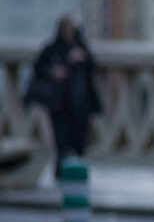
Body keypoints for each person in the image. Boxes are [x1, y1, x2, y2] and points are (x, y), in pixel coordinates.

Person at [25, 16, 102, 178]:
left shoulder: (81, 47)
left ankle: (78, 173)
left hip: (80, 105)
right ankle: (60, 172)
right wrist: (56, 70)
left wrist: (82, 57)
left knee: (79, 141)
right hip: (58, 104)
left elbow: (92, 68)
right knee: (61, 142)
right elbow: (39, 69)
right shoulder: (52, 48)